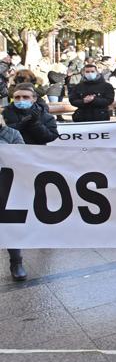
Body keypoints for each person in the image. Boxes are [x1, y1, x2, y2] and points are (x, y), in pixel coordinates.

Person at [0, 86, 59, 282]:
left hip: (26, 170)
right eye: (17, 97)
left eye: (25, 96)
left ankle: (16, 260)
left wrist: (32, 123)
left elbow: (49, 136)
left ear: (34, 99)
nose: (21, 99)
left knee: (21, 211)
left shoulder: (44, 116)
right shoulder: (7, 113)